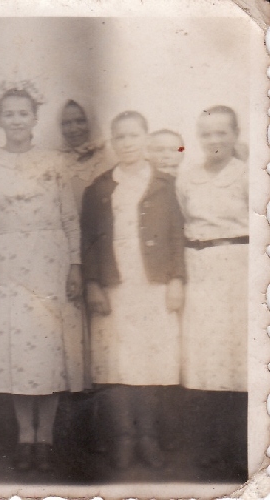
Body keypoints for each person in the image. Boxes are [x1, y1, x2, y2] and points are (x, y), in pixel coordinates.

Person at [0, 83, 82, 472]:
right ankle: (24, 436)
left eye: (23, 113)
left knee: (48, 348)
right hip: (9, 264)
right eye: (9, 114)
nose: (16, 120)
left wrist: (75, 265)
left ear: (34, 118)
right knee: (18, 348)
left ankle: (45, 437)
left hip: (50, 261)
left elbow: (69, 216)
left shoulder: (55, 161)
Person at [81, 110, 185, 470]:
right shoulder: (99, 187)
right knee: (119, 362)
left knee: (150, 360)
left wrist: (176, 280)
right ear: (113, 142)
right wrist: (93, 284)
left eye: (133, 136)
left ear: (145, 139)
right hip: (115, 284)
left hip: (153, 283)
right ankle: (124, 436)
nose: (127, 143)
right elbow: (88, 242)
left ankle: (148, 437)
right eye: (120, 137)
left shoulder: (165, 185)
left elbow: (176, 236)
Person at [176, 105, 248, 470]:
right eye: (206, 134)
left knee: (236, 355)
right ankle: (210, 444)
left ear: (236, 134)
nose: (214, 140)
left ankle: (240, 446)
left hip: (238, 268)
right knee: (206, 355)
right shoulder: (188, 177)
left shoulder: (248, 175)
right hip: (200, 269)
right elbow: (185, 219)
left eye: (222, 132)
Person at [59, 99, 111, 212]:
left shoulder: (110, 157)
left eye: (80, 121)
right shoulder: (54, 162)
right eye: (66, 123)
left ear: (91, 121)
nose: (73, 129)